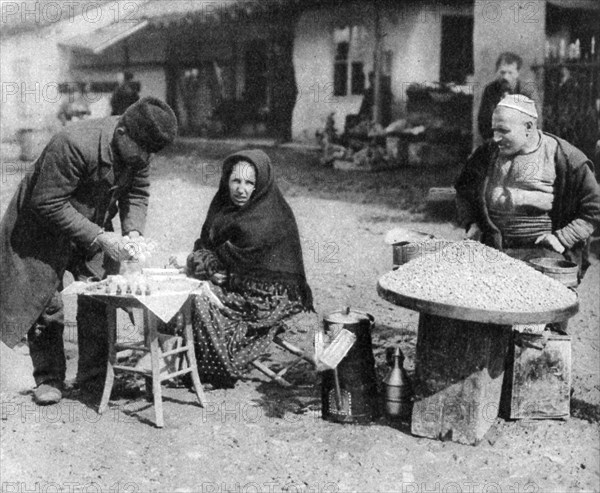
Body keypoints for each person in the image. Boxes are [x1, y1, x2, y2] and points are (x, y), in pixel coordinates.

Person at [0, 96, 178, 405]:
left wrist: (132, 230)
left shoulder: (137, 151)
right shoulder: (72, 143)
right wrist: (101, 236)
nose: (147, 159)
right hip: (40, 226)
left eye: (152, 153)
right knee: (46, 302)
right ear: (122, 134)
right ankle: (49, 377)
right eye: (144, 151)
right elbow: (48, 203)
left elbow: (137, 192)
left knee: (99, 291)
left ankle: (93, 376)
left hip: (90, 225)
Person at [186, 149, 314, 388]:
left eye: (249, 183)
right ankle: (185, 359)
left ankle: (216, 369)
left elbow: (255, 269)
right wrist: (210, 267)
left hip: (267, 297)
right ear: (227, 181)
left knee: (198, 300)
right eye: (235, 181)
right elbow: (203, 246)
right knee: (185, 289)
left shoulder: (272, 216)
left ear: (260, 185)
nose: (240, 189)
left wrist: (222, 272)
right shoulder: (222, 207)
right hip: (230, 283)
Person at [456, 94, 600, 286]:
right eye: (494, 131)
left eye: (503, 131)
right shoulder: (486, 153)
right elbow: (463, 188)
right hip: (493, 250)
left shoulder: (567, 158)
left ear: (529, 127)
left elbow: (595, 208)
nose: (496, 138)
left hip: (544, 255)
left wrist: (564, 238)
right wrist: (472, 223)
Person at [477, 52, 536, 141]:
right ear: (496, 72)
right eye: (502, 72)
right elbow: (483, 120)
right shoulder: (490, 90)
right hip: (496, 143)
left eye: (510, 73)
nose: (505, 77)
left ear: (517, 73)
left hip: (521, 143)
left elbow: (535, 121)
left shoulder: (527, 91)